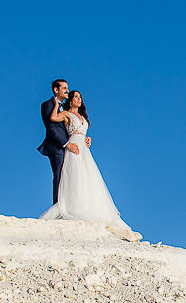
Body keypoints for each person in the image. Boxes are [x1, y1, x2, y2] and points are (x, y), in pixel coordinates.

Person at [39, 90, 131, 232]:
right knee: (76, 175)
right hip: (74, 145)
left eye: (80, 97)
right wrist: (57, 104)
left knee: (89, 176)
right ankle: (74, 207)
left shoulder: (82, 116)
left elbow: (84, 131)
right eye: (76, 97)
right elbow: (53, 117)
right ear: (70, 100)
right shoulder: (66, 114)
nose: (79, 99)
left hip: (84, 147)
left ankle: (90, 206)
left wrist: (88, 138)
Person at [37, 79, 77, 205]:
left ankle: (69, 205)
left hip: (69, 146)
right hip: (57, 146)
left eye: (68, 88)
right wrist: (65, 143)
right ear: (56, 90)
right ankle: (57, 206)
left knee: (71, 175)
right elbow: (51, 127)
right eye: (64, 88)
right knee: (59, 175)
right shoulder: (47, 104)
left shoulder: (66, 108)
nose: (67, 91)